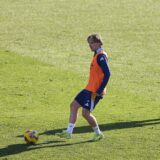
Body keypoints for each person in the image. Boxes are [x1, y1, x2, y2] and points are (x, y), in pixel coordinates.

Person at [56, 33, 111, 141]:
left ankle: (98, 133)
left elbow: (108, 73)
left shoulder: (101, 56)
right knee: (74, 105)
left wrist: (100, 89)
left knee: (86, 113)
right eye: (89, 43)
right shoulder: (96, 54)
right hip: (89, 88)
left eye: (91, 43)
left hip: (94, 91)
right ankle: (68, 132)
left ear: (98, 43)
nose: (89, 45)